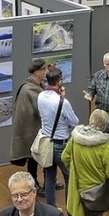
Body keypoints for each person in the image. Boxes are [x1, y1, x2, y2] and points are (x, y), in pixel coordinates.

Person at [36, 67, 78, 208]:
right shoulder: (62, 102)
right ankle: (71, 210)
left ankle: (51, 209)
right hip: (61, 145)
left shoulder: (41, 96)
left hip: (47, 143)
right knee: (69, 177)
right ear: (59, 82)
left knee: (49, 177)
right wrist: (63, 98)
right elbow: (74, 121)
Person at [9, 59, 49, 195]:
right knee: (32, 158)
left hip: (35, 129)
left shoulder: (36, 85)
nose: (47, 72)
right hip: (30, 130)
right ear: (37, 72)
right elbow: (41, 106)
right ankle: (35, 184)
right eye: (44, 70)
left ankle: (48, 183)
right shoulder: (29, 88)